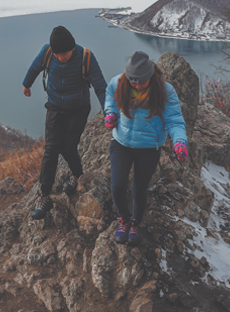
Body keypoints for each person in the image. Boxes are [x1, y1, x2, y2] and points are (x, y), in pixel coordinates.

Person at [23, 25, 107, 220]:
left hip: (78, 109)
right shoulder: (47, 53)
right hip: (54, 107)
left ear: (72, 47)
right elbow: (35, 67)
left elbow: (100, 86)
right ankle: (44, 196)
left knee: (69, 148)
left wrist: (107, 110)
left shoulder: (86, 57)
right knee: (51, 149)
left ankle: (77, 176)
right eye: (57, 54)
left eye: (65, 53)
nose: (61, 57)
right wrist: (26, 84)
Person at [104, 51, 187, 245]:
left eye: (141, 81)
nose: (137, 85)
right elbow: (110, 97)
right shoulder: (119, 83)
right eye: (133, 81)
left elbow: (174, 120)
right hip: (121, 143)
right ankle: (123, 218)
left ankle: (136, 223)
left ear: (150, 76)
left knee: (139, 190)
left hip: (149, 147)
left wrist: (180, 143)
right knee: (117, 185)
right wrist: (110, 113)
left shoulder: (164, 91)